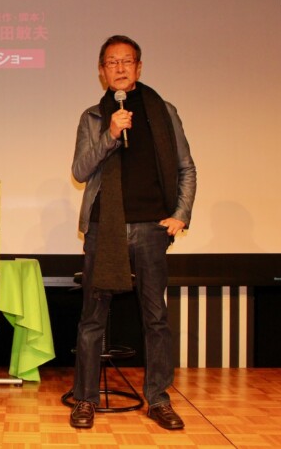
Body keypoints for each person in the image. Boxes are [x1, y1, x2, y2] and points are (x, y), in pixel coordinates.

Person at [70, 35, 196, 430]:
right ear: (102, 71)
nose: (120, 68)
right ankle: (85, 399)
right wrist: (110, 134)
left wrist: (181, 214)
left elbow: (186, 167)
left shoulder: (163, 111)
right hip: (104, 227)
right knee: (93, 319)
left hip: (150, 228)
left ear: (139, 68)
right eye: (112, 62)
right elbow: (80, 170)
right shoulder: (94, 117)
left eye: (127, 61)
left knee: (155, 317)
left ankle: (158, 399)